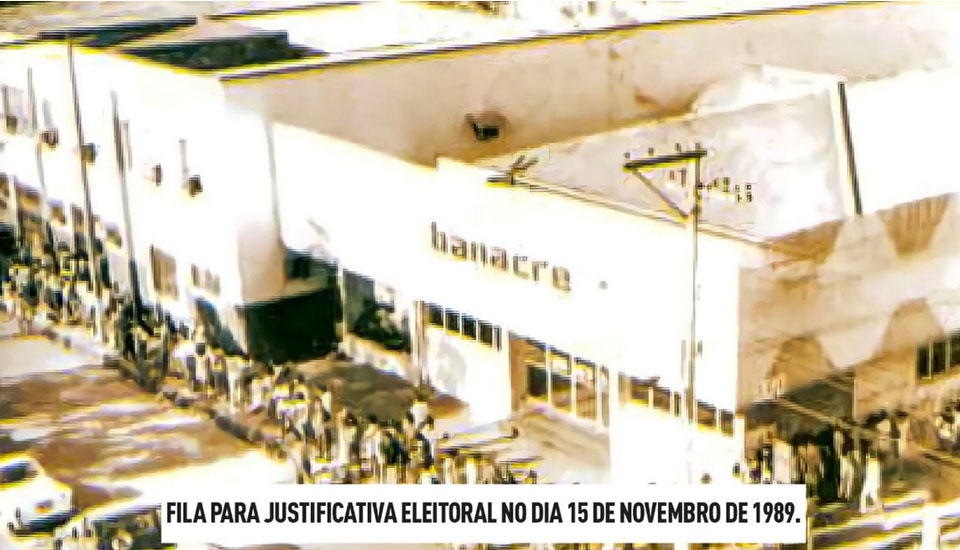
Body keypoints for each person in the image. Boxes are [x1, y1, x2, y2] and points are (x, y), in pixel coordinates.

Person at [861, 449, 882, 514]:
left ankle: (863, 510)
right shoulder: (876, 463)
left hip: (870, 482)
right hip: (874, 482)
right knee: (873, 496)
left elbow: (869, 474)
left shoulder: (871, 463)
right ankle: (878, 507)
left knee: (864, 495)